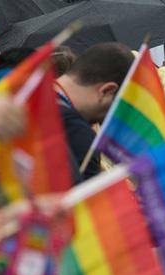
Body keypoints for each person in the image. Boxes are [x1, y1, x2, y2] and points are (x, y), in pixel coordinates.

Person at [53, 42, 134, 179]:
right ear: (106, 91)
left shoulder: (19, 94)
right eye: (117, 108)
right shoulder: (77, 133)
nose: (108, 119)